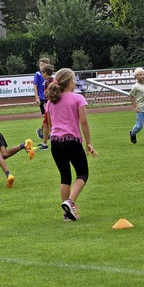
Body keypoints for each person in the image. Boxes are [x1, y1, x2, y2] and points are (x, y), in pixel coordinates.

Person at [44, 68, 98, 221]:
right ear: (69, 82)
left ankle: (67, 214)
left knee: (65, 177)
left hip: (55, 142)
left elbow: (49, 123)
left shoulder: (51, 101)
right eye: (74, 80)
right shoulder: (77, 98)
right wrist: (89, 143)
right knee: (82, 174)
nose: (75, 83)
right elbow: (84, 122)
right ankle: (70, 202)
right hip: (71, 141)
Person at [37, 64, 55, 150]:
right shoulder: (53, 80)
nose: (42, 74)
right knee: (47, 124)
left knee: (46, 124)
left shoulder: (48, 82)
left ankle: (46, 144)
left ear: (45, 73)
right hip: (51, 106)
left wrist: (46, 101)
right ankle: (44, 143)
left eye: (42, 73)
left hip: (50, 106)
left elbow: (49, 94)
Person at [34, 57, 50, 139]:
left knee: (48, 115)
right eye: (40, 65)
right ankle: (42, 130)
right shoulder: (38, 74)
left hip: (48, 97)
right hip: (42, 98)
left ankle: (45, 131)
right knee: (47, 115)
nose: (41, 67)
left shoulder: (48, 75)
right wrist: (37, 97)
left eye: (43, 65)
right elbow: (35, 86)